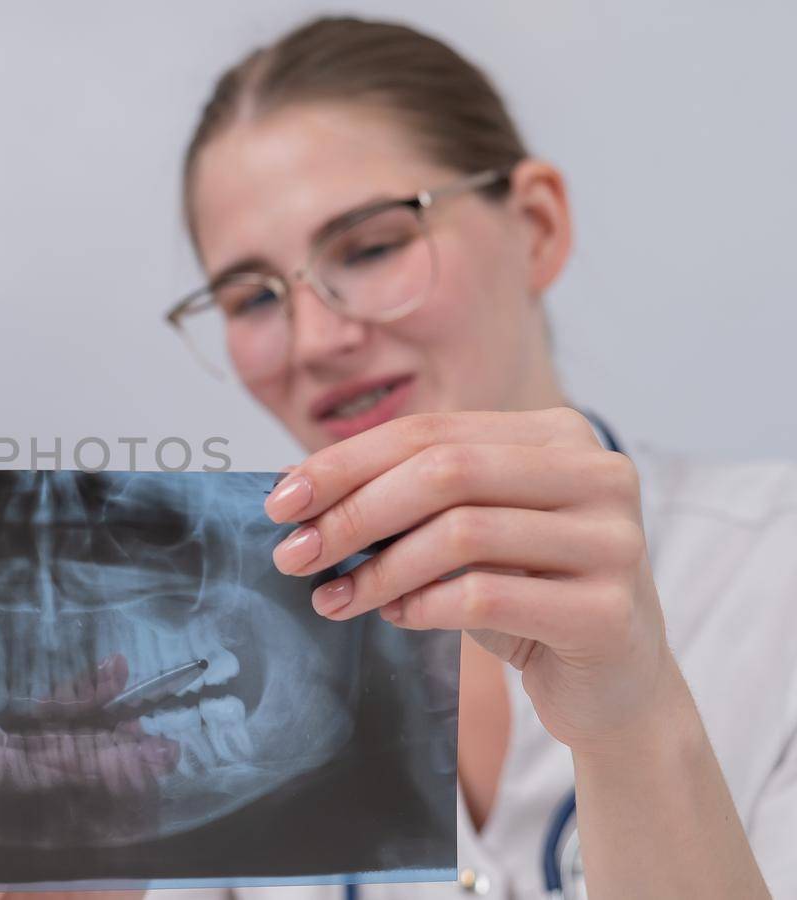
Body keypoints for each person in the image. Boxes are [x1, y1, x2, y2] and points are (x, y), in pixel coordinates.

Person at [162, 15, 796, 899]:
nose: (314, 340)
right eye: (251, 298)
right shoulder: (206, 678)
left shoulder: (775, 579)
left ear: (536, 226)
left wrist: (633, 720)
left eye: (373, 246)